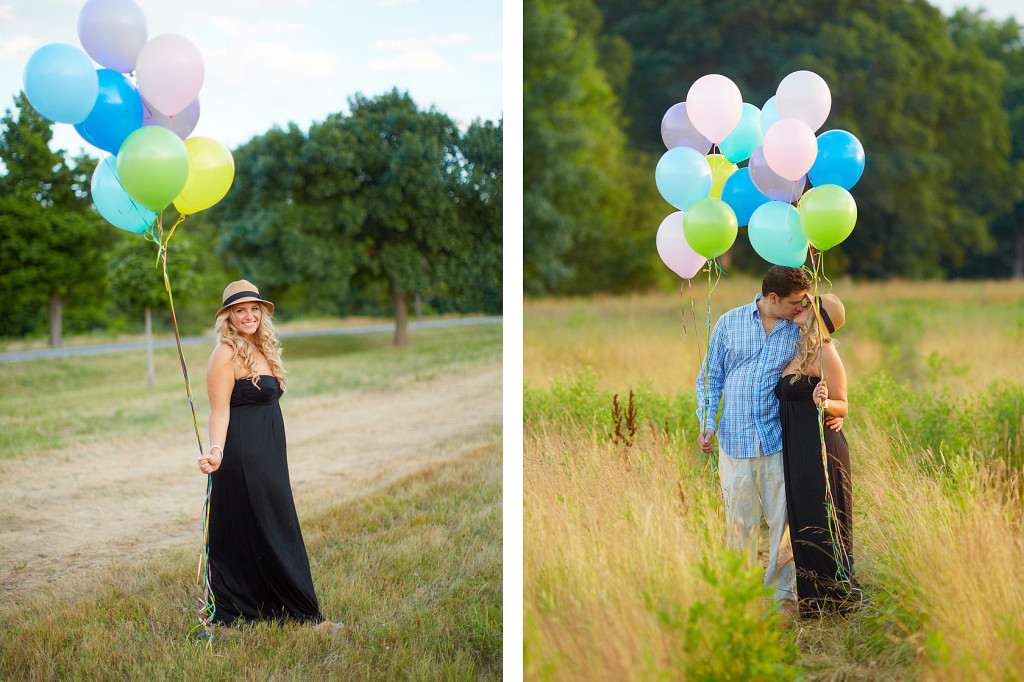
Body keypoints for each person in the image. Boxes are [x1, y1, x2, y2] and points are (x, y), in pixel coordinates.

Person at [695, 266, 841, 615]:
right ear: (772, 298)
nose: (800, 307)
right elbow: (709, 379)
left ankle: (782, 601)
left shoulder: (798, 328)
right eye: (794, 301)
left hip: (777, 441)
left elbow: (825, 358)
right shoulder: (729, 323)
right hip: (735, 441)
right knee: (739, 524)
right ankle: (739, 598)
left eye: (804, 301)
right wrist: (707, 424)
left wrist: (833, 406)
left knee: (782, 525)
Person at [197, 280, 340, 633]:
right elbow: (219, 412)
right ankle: (303, 616)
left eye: (254, 308)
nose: (248, 315)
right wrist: (216, 451)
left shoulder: (262, 346)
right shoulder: (225, 353)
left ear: (262, 312)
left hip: (269, 452)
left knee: (270, 524)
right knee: (269, 527)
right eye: (240, 310)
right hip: (243, 455)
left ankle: (272, 605)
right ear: (228, 316)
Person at [775, 293, 862, 617]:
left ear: (819, 317)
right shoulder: (801, 348)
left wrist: (822, 402)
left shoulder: (826, 352)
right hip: (799, 447)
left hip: (822, 447)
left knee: (822, 520)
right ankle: (814, 603)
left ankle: (838, 599)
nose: (801, 306)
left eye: (809, 304)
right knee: (805, 520)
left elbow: (843, 403)